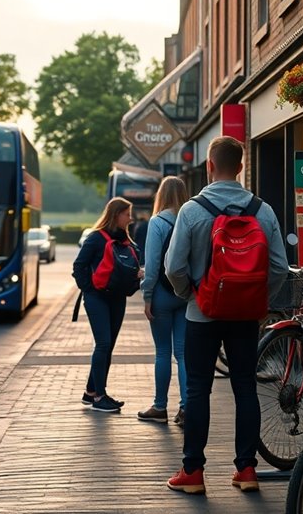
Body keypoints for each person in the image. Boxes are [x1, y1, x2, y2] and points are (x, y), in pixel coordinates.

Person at [164, 136, 288, 494]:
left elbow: (173, 266)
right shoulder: (261, 210)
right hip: (246, 316)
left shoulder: (191, 210)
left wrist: (191, 294)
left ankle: (193, 473)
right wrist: (260, 301)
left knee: (198, 388)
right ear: (241, 167)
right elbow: (279, 266)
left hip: (202, 314)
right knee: (245, 387)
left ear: (209, 165)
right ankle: (247, 470)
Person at [72, 197, 143, 413]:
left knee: (108, 345)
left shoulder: (127, 242)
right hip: (97, 298)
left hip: (117, 298)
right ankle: (100, 397)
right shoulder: (95, 238)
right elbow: (79, 266)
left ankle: (91, 391)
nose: (130, 219)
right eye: (127, 214)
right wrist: (90, 289)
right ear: (116, 215)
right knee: (103, 344)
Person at [136, 177, 190, 426]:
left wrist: (147, 296)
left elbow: (153, 264)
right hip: (185, 293)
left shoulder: (157, 222)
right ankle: (186, 407)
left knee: (162, 352)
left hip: (161, 294)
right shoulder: (191, 217)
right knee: (183, 354)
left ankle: (159, 407)